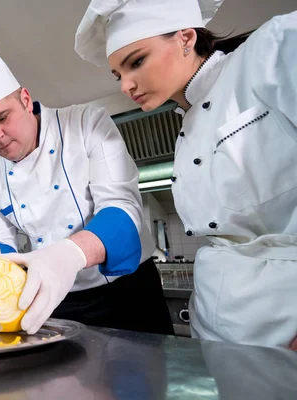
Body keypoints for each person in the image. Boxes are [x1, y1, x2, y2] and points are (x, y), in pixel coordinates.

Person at [0, 5, 173, 335]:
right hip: (53, 299)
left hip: (126, 294)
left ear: (25, 100)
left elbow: (122, 211)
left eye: (1, 118)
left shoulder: (87, 123)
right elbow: (7, 245)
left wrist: (69, 254)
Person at [74, 0, 297, 350]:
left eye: (136, 61)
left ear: (185, 38)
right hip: (218, 334)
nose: (126, 86)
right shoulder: (185, 132)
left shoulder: (273, 49)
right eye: (118, 75)